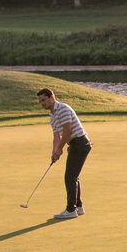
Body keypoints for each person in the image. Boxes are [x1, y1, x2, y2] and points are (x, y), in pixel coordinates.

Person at [37, 87, 91, 219]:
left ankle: (71, 209)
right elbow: (57, 136)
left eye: (44, 100)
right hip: (75, 144)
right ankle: (78, 206)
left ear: (52, 97)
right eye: (40, 101)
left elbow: (67, 131)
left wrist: (60, 149)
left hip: (80, 142)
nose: (42, 103)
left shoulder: (63, 109)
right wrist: (55, 151)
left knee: (70, 177)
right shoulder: (52, 116)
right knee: (73, 177)